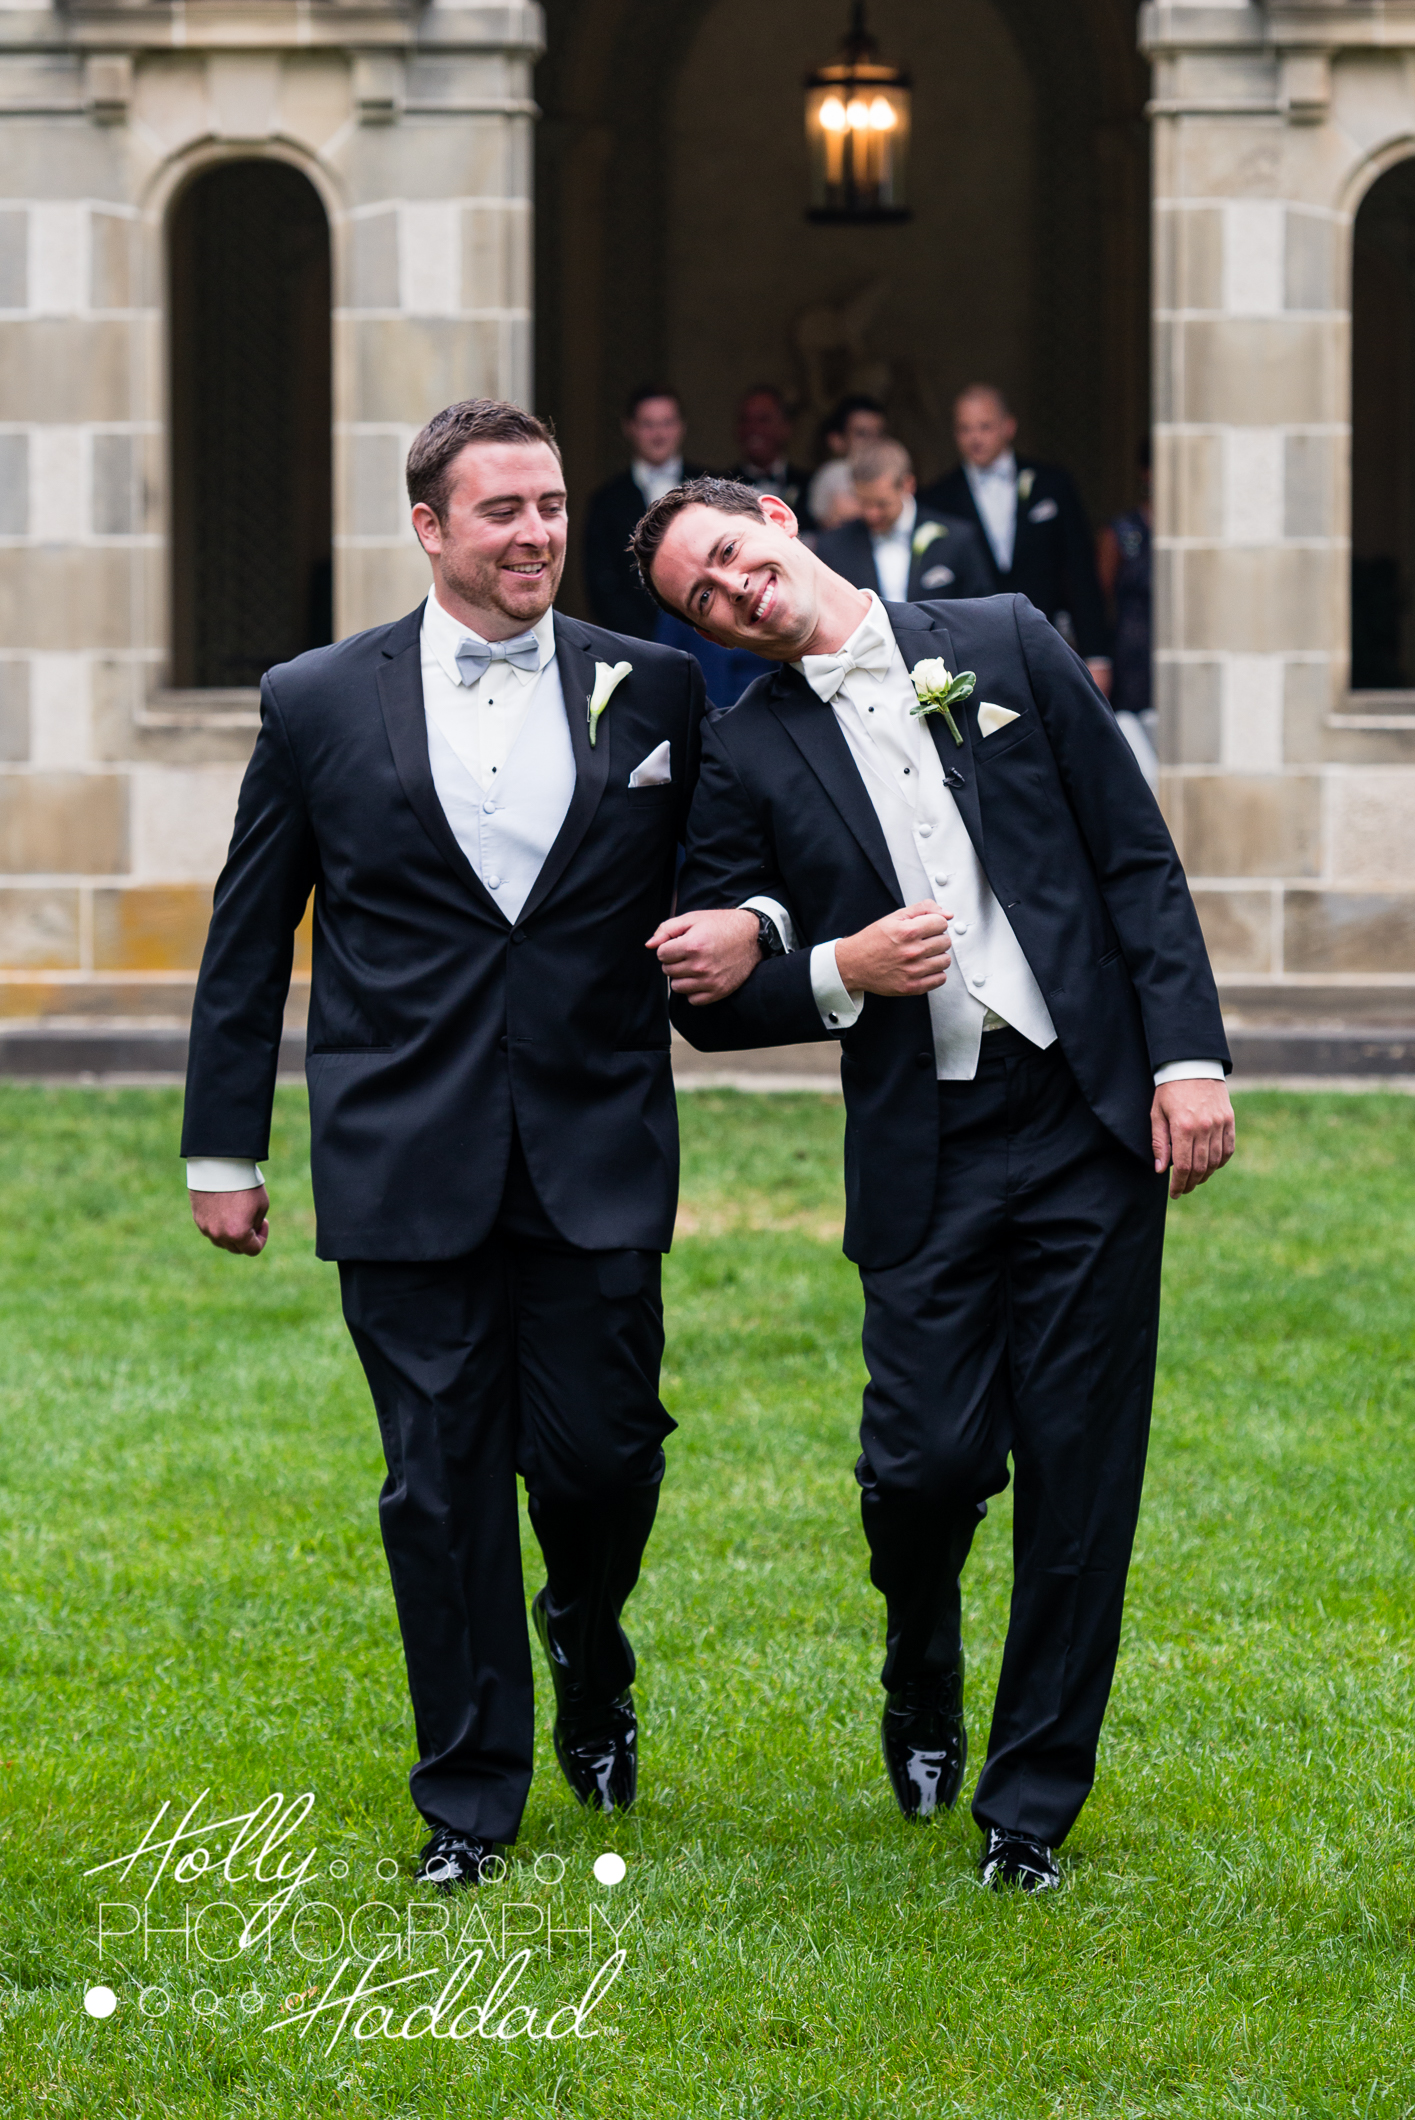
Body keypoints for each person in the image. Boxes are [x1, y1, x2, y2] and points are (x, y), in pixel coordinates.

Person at [632, 478, 1234, 1893]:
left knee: (1079, 1472)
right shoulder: (745, 746)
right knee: (922, 1469)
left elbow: (1132, 859)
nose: (733, 595)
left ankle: (1026, 1809)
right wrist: (837, 968)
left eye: (729, 557)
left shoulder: (1004, 638)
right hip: (928, 1140)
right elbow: (710, 993)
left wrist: (1186, 1060)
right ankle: (919, 1653)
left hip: (1084, 1115)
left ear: (776, 518)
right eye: (701, 601)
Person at [181, 399, 707, 1891]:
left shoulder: (656, 687)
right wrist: (223, 1149)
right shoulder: (313, 700)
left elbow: (735, 860)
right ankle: (469, 1797)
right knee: (438, 1482)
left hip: (597, 1141)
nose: (537, 533)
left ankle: (586, 1637)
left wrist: (769, 928)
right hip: (400, 1152)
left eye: (551, 506)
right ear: (429, 527)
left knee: (602, 1458)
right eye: (504, 510)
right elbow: (247, 938)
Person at [920, 385, 1111, 693]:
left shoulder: (1052, 485)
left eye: (985, 427)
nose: (975, 438)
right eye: (965, 429)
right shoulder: (938, 499)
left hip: (1049, 638)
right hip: (971, 650)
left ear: (1008, 426)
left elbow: (1080, 572)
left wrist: (1097, 655)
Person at [582, 385, 707, 638]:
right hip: (635, 639)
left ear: (682, 426)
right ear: (629, 428)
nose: (659, 434)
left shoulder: (710, 487)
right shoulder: (606, 501)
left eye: (667, 423)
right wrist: (644, 641)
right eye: (648, 424)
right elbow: (601, 585)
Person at [815, 439, 993, 603]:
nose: (872, 514)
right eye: (864, 503)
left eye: (881, 504)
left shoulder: (957, 539)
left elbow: (979, 609)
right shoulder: (833, 547)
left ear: (908, 485)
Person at [1098, 439, 1157, 788]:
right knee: (1141, 774)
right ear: (1145, 473)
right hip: (1130, 664)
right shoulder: (1122, 531)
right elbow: (1100, 598)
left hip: (1176, 670)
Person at [727, 384, 812, 518]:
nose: (753, 428)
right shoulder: (724, 487)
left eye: (763, 420)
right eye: (745, 420)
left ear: (785, 427)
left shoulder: (809, 485)